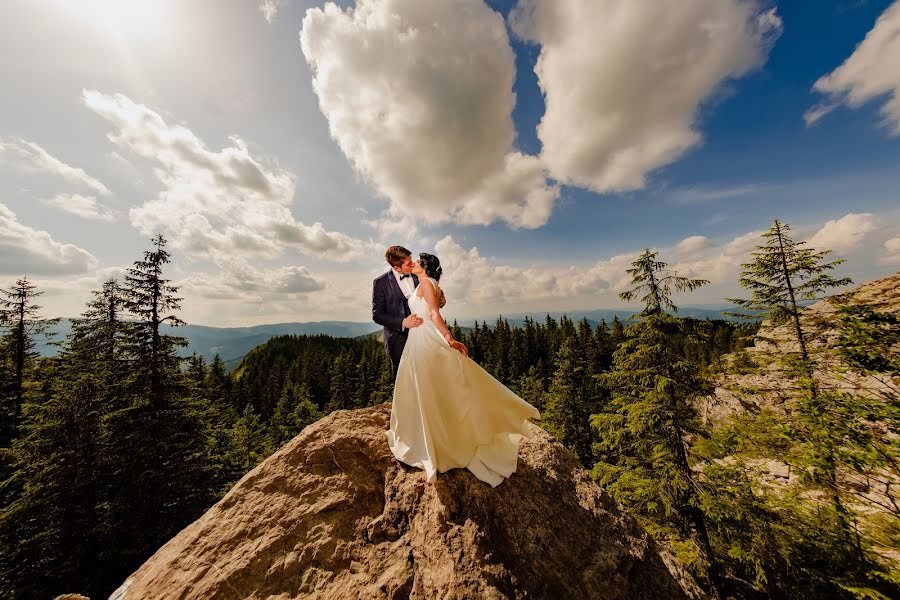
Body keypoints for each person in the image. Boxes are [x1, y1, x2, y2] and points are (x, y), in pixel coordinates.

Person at [386, 252, 541, 488]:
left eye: (417, 261)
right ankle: (433, 435)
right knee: (427, 387)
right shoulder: (428, 284)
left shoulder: (426, 283)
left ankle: (435, 441)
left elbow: (434, 314)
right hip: (419, 339)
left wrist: (449, 338)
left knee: (425, 387)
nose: (414, 263)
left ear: (425, 266)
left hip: (426, 340)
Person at [372, 246, 424, 381]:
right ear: (396, 268)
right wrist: (402, 322)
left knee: (423, 374)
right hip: (397, 339)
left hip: (422, 333)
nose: (413, 264)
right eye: (408, 263)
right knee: (403, 378)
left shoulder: (418, 275)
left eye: (411, 260)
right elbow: (377, 314)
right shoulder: (380, 283)